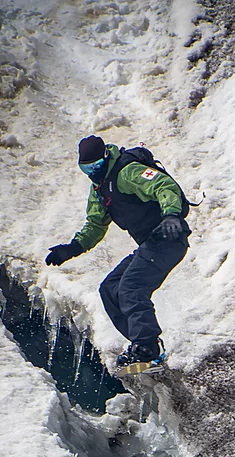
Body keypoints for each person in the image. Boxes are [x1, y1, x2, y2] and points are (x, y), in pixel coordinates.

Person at [45, 135, 190, 369]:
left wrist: (171, 214)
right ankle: (142, 345)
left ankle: (147, 347)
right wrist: (72, 248)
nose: (93, 172)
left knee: (131, 288)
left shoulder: (127, 172)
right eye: (86, 168)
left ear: (105, 158)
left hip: (168, 237)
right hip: (149, 245)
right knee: (110, 289)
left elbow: (163, 185)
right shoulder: (100, 189)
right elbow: (95, 224)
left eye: (96, 166)